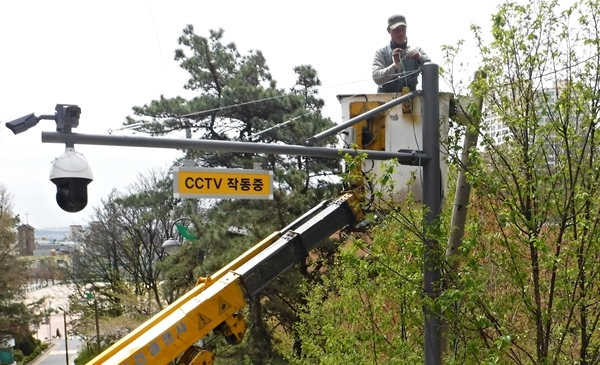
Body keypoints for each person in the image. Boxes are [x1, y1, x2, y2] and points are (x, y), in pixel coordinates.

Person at [372, 14, 430, 93]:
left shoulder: (417, 50)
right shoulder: (381, 53)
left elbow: (432, 72)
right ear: (389, 30)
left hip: (411, 102)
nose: (400, 33)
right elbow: (376, 78)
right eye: (396, 29)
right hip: (387, 103)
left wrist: (419, 57)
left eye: (403, 28)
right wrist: (395, 66)